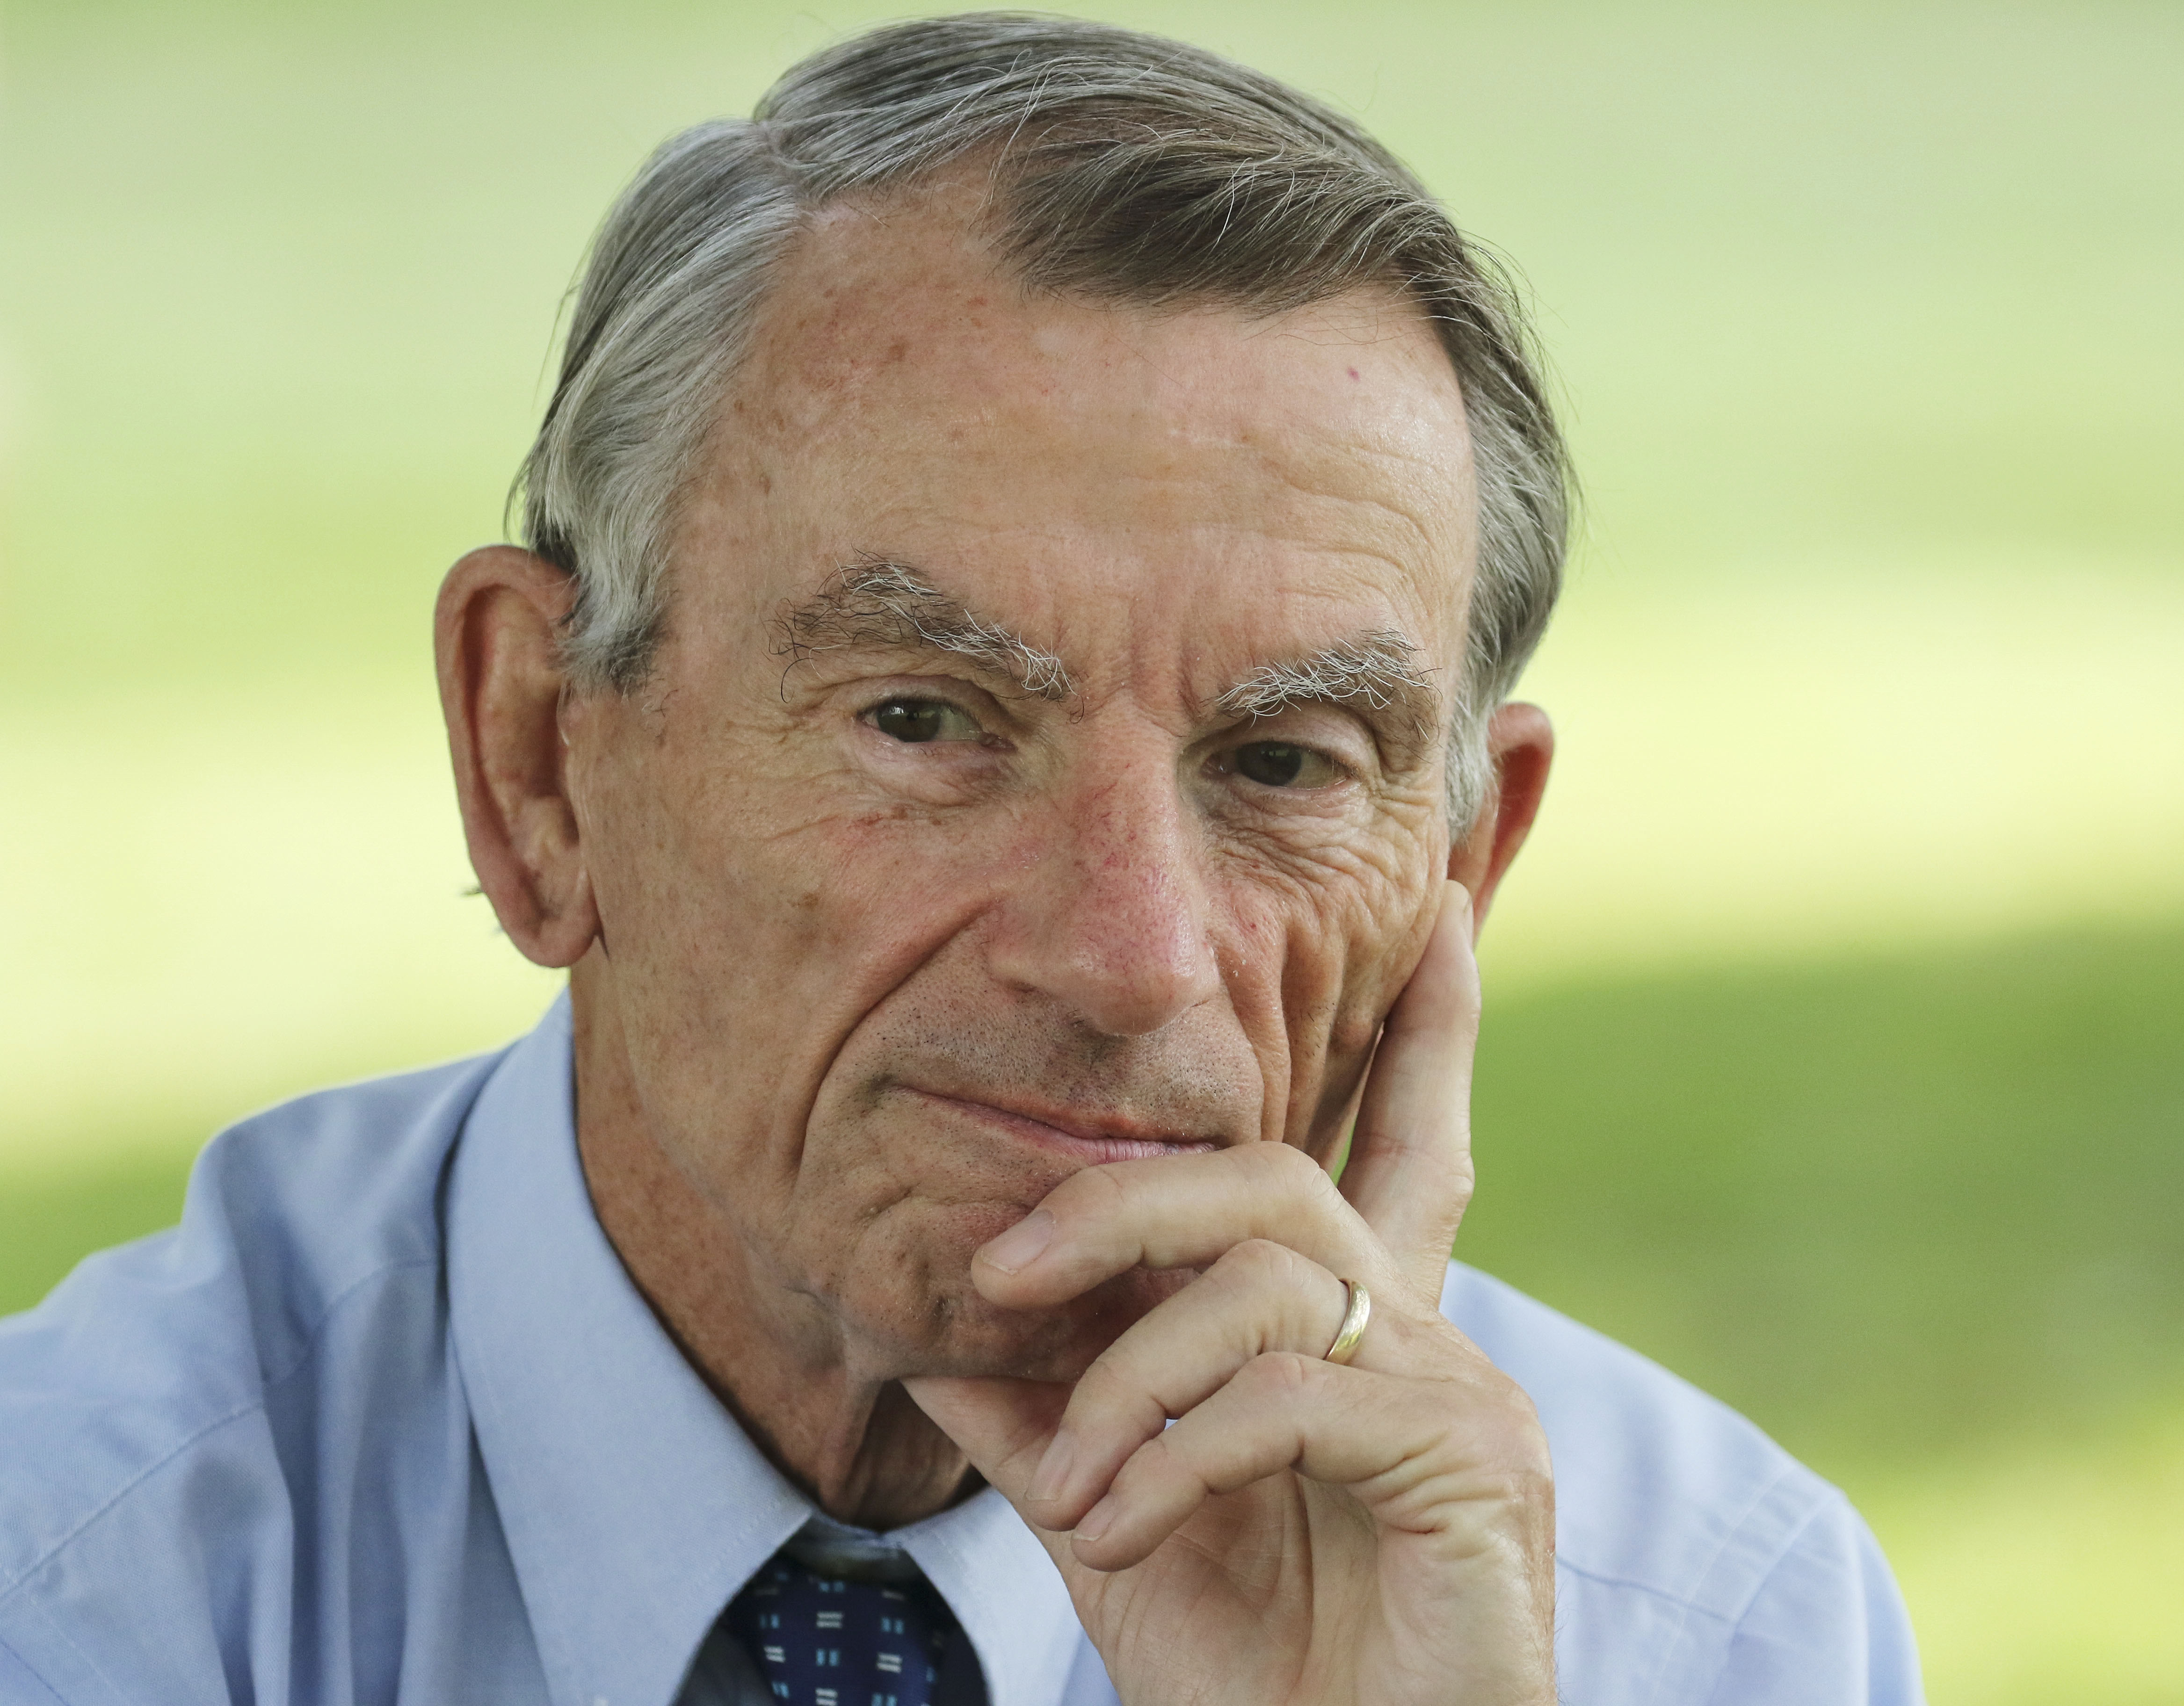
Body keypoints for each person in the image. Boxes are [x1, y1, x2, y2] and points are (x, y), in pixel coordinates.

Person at [0, 14, 1923, 1706]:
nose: (1131, 958)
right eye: (922, 722)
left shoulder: (1701, 1630)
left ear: (1456, 870)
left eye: (1278, 762)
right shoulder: (79, 1586)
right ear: (538, 768)